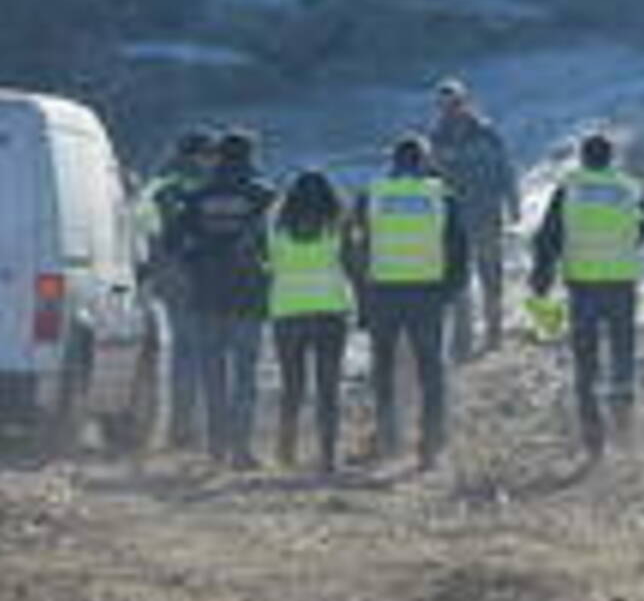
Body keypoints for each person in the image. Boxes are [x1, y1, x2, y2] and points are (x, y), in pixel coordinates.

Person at [529, 132, 644, 458]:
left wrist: (541, 279)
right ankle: (624, 428)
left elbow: (548, 237)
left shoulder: (570, 188)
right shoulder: (630, 188)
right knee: (622, 355)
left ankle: (594, 439)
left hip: (583, 286)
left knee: (586, 363)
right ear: (611, 158)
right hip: (622, 283)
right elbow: (640, 235)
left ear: (582, 158)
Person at [163, 128, 275, 469]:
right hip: (248, 298)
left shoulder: (197, 196)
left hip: (205, 296)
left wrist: (195, 262)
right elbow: (273, 244)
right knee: (245, 378)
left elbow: (171, 243)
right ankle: (241, 449)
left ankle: (216, 448)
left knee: (213, 378)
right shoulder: (263, 195)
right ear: (250, 157)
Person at [356, 134, 467, 469]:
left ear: (393, 162)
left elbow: (355, 246)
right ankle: (430, 444)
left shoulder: (371, 195)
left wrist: (363, 289)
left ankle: (389, 437)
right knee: (431, 370)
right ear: (423, 162)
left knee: (384, 369)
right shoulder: (442, 197)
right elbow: (459, 249)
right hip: (427, 294)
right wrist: (449, 291)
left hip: (383, 293)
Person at [266, 168, 358, 471]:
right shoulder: (337, 225)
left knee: (292, 387)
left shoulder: (276, 226)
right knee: (328, 387)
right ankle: (328, 455)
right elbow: (352, 263)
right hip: (330, 312)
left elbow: (268, 262)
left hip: (286, 312)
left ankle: (285, 452)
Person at [428, 78, 519, 362]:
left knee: (491, 276)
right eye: (444, 105)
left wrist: (513, 203)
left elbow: (506, 169)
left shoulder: (487, 133)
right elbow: (430, 179)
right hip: (453, 221)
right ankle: (462, 342)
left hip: (487, 214)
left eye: (454, 103)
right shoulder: (435, 138)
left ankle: (494, 334)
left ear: (466, 103)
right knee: (458, 282)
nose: (450, 110)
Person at [137, 129, 216, 450]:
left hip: (167, 275)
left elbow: (142, 229)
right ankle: (190, 429)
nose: (213, 160)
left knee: (183, 351)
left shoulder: (156, 186)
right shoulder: (201, 187)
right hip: (197, 274)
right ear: (197, 155)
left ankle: (179, 425)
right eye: (209, 154)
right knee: (197, 352)